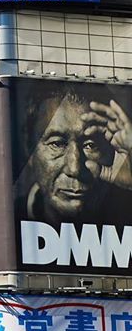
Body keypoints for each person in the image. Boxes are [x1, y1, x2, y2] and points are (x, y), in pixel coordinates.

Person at [17, 85, 131, 227]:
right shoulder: (8, 219)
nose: (74, 168)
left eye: (91, 145)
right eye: (57, 144)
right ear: (29, 147)